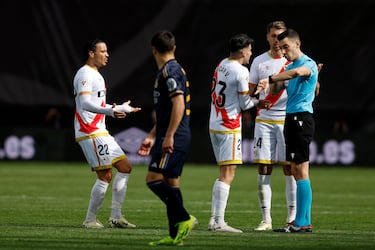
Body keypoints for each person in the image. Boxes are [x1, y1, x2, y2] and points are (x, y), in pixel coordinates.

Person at [73, 38, 141, 229]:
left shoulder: (97, 75)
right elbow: (85, 103)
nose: (107, 54)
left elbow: (98, 105)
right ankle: (89, 220)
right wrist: (111, 111)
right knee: (105, 177)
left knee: (126, 167)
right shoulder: (84, 74)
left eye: (107, 51)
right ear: (91, 53)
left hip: (100, 131)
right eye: (102, 51)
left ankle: (116, 217)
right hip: (90, 131)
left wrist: (121, 108)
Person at [137, 30, 196, 246]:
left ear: (153, 49)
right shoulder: (172, 69)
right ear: (174, 48)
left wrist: (168, 135)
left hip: (174, 136)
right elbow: (167, 110)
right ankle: (175, 236)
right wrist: (153, 135)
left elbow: (178, 104)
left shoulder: (169, 71)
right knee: (172, 181)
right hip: (171, 134)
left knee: (153, 179)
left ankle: (184, 217)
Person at [258, 28, 319, 233]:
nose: (284, 51)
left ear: (297, 44)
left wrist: (273, 77)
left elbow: (296, 74)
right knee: (294, 169)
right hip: (291, 119)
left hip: (301, 118)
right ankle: (301, 221)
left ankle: (302, 222)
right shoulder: (290, 65)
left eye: (286, 47)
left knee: (301, 171)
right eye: (281, 48)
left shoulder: (307, 63)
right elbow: (279, 87)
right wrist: (272, 82)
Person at [208, 33, 270, 233]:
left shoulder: (222, 64)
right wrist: (259, 98)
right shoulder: (241, 71)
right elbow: (244, 104)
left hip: (215, 123)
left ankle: (214, 219)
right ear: (243, 51)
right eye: (250, 49)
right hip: (229, 125)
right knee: (228, 173)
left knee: (223, 172)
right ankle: (218, 222)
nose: (251, 53)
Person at [248, 21, 296, 231]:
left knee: (289, 168)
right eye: (273, 36)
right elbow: (250, 94)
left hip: (287, 120)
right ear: (267, 37)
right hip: (264, 121)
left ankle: (291, 218)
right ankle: (266, 219)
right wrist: (257, 96)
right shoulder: (259, 61)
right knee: (264, 168)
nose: (277, 40)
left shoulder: (293, 61)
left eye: (280, 36)